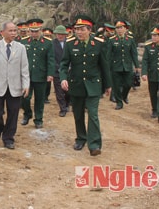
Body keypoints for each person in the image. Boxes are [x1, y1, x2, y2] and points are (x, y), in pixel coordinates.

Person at [59, 15, 112, 156]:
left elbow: (104, 66)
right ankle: (81, 138)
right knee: (78, 114)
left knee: (93, 115)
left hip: (93, 85)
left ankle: (94, 145)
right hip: (76, 85)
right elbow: (64, 64)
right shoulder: (70, 44)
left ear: (89, 30)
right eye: (77, 29)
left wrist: (108, 85)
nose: (79, 32)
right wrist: (63, 78)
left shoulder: (99, 43)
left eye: (82, 29)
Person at [0, 21, 30, 149]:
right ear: (2, 32)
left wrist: (26, 84)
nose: (13, 33)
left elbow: (24, 69)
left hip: (15, 87)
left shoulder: (21, 48)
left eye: (15, 31)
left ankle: (8, 138)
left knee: (13, 113)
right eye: (10, 31)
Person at [20, 19, 55, 129]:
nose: (34, 33)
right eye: (32, 31)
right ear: (29, 31)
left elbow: (51, 59)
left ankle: (38, 119)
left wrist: (50, 74)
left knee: (39, 99)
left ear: (41, 30)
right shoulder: (24, 42)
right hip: (27, 76)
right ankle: (27, 114)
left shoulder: (48, 43)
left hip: (41, 75)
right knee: (24, 97)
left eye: (36, 31)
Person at [108, 20, 140, 110]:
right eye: (117, 28)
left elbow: (134, 53)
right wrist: (107, 67)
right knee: (116, 86)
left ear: (125, 29)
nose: (119, 30)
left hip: (127, 66)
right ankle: (119, 103)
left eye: (121, 28)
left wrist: (137, 66)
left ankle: (124, 95)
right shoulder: (112, 40)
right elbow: (108, 55)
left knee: (128, 83)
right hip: (115, 66)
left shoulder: (130, 39)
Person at [52, 25, 70, 117]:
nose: (59, 36)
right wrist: (57, 67)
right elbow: (51, 58)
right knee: (59, 91)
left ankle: (67, 104)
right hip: (57, 71)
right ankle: (62, 109)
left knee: (68, 90)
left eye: (61, 34)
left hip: (69, 71)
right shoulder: (52, 44)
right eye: (58, 34)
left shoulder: (70, 43)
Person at [42, 27, 54, 104]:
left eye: (48, 35)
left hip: (48, 66)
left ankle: (46, 96)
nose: (47, 37)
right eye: (45, 35)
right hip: (41, 67)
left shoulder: (51, 43)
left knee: (48, 84)